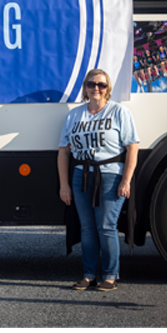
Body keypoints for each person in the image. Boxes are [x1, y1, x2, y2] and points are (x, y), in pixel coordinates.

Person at [57, 68, 138, 292]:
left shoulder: (119, 112)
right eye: (91, 84)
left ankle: (110, 276)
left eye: (101, 85)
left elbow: (132, 147)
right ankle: (89, 275)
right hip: (80, 175)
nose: (96, 88)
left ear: (107, 89)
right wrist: (64, 185)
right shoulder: (74, 115)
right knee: (86, 228)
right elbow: (64, 152)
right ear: (85, 87)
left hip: (111, 174)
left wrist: (126, 180)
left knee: (106, 226)